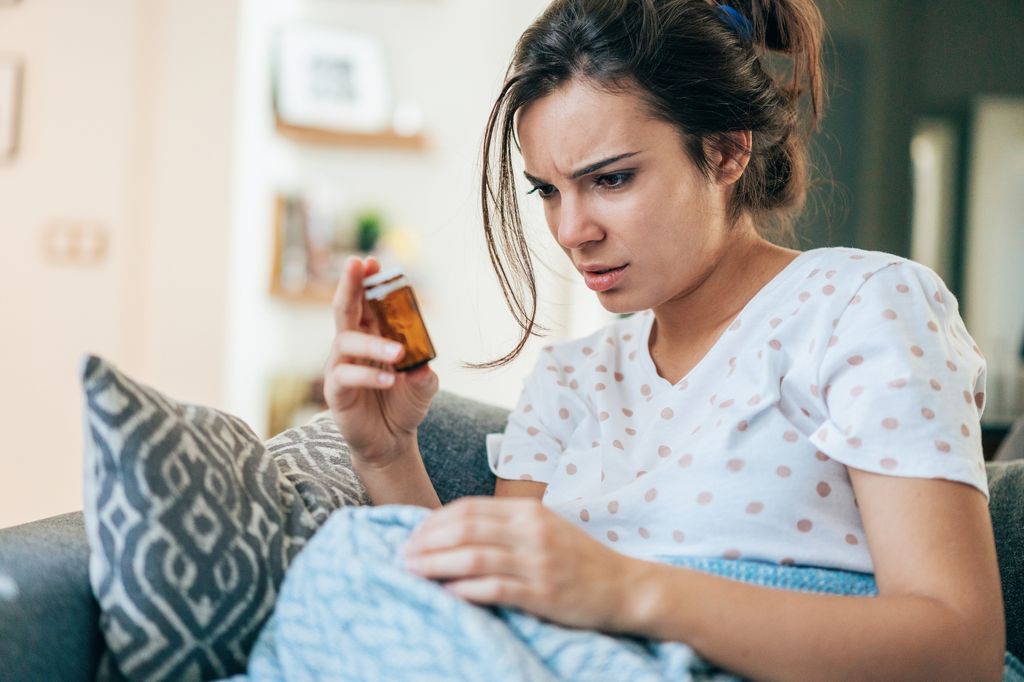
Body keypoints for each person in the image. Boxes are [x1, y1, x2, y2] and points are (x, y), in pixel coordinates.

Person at [320, 0, 1006, 678]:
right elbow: (487, 630)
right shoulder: (569, 378)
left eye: (611, 179)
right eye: (548, 192)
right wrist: (386, 455)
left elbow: (959, 648)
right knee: (340, 558)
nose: (571, 231)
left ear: (728, 149)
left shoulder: (860, 306)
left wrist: (627, 590)